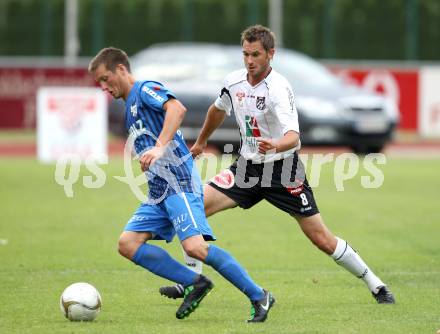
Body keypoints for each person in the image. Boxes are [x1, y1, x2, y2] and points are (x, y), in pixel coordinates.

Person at [159, 25, 396, 305]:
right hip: (247, 168)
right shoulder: (234, 81)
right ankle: (191, 281)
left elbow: (294, 138)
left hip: (283, 170)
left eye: (256, 54)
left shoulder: (279, 89)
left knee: (321, 238)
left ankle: (376, 285)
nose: (249, 60)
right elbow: (217, 109)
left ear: (271, 54)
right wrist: (200, 143)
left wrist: (276, 144)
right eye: (245, 54)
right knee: (195, 206)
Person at [88, 47, 275, 322]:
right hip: (158, 192)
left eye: (105, 78)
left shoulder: (144, 89)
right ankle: (195, 283)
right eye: (99, 83)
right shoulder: (129, 107)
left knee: (195, 247)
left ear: (120, 70)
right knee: (128, 243)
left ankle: (259, 295)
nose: (104, 87)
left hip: (178, 182)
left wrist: (160, 147)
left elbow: (176, 108)